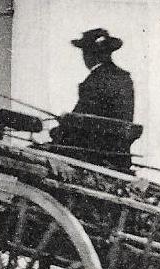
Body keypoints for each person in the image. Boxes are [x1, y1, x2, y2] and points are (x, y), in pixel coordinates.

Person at [51, 28, 138, 171]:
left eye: (84, 52)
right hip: (120, 156)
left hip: (93, 155)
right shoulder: (124, 78)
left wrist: (62, 125)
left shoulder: (94, 81)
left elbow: (81, 120)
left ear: (90, 54)